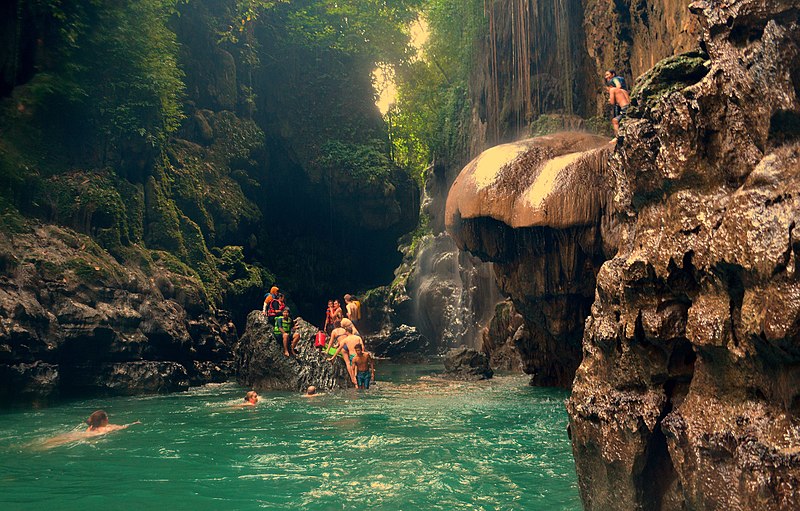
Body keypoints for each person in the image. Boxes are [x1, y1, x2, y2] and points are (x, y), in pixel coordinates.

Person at [38, 410, 140, 449]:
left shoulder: (91, 426)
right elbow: (123, 427)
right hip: (84, 438)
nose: (108, 418)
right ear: (103, 420)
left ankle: (42, 444)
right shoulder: (107, 429)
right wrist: (135, 423)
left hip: (78, 434)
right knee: (57, 444)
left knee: (55, 440)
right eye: (107, 417)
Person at [605, 70, 630, 138]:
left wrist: (610, 99)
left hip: (624, 108)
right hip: (629, 107)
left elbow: (612, 103)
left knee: (615, 121)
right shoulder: (624, 90)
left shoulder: (613, 88)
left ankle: (617, 138)